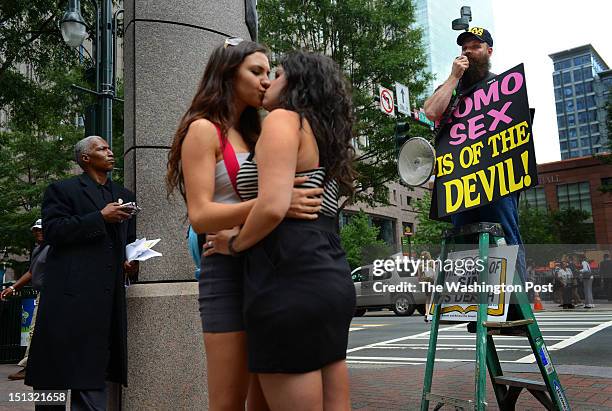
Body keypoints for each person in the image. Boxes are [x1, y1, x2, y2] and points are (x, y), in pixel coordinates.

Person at [165, 39, 323, 411]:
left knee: (265, 399)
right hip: (225, 269)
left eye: (270, 73)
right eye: (256, 71)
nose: (266, 80)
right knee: (228, 402)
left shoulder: (259, 132)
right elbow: (200, 214)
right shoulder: (203, 130)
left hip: (268, 267)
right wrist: (273, 203)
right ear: (226, 73)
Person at [207, 50, 357, 410]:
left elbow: (273, 206)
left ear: (295, 82)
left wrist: (235, 243)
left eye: (275, 74)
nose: (267, 83)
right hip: (329, 272)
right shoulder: (324, 132)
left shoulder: (283, 120)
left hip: (288, 272)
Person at [25, 136, 138, 411]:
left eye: (110, 148)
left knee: (92, 375)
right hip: (66, 297)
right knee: (52, 377)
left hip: (104, 301)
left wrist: (131, 262)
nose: (110, 153)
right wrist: (100, 217)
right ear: (85, 158)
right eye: (102, 149)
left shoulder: (124, 196)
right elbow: (53, 232)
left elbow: (128, 242)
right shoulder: (62, 190)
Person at [423, 27, 526, 281]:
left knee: (505, 239)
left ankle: (517, 309)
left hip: (497, 179)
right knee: (463, 245)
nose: (468, 51)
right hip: (461, 181)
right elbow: (431, 112)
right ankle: (472, 314)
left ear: (489, 51)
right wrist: (453, 78)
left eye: (475, 46)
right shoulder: (450, 87)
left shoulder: (502, 85)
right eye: (464, 47)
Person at [1, 219, 45, 381]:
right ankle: (33, 366)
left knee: (35, 330)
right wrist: (13, 288)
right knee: (37, 331)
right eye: (35, 229)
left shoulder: (54, 247)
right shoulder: (37, 250)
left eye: (41, 229)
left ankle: (29, 367)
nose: (38, 232)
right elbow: (31, 272)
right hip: (41, 293)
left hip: (52, 294)